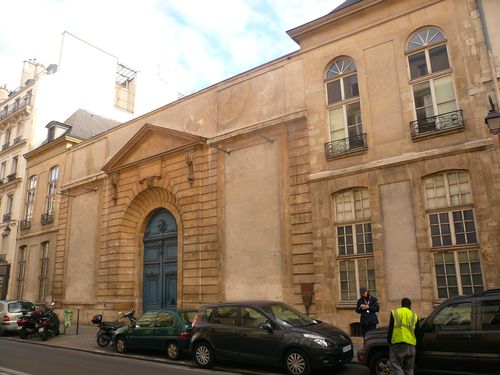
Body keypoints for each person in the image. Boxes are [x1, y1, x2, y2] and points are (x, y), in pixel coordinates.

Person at [387, 297, 419, 375]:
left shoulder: (395, 313)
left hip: (398, 344)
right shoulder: (415, 316)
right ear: (410, 306)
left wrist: (389, 341)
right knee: (409, 369)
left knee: (396, 366)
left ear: (401, 304)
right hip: (411, 345)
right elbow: (417, 332)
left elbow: (391, 329)